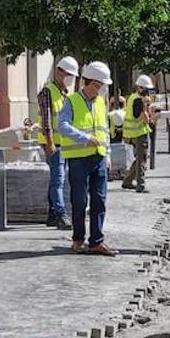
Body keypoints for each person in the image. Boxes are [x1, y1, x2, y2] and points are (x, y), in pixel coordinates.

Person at [58, 61, 116, 256]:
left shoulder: (100, 102)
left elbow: (104, 130)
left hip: (99, 158)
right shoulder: (72, 101)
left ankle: (96, 242)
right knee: (80, 201)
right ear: (91, 83)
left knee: (99, 200)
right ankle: (78, 240)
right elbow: (63, 126)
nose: (102, 90)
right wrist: (85, 139)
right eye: (100, 86)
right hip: (78, 160)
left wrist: (108, 154)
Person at [37, 56, 79, 230]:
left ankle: (53, 214)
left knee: (57, 179)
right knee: (58, 180)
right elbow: (46, 120)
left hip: (64, 144)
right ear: (59, 72)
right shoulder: (47, 92)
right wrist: (50, 143)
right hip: (53, 143)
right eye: (69, 74)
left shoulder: (65, 93)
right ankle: (61, 215)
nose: (71, 78)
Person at [121, 75, 155, 192]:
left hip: (131, 133)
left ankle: (127, 181)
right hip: (140, 133)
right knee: (142, 159)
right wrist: (147, 110)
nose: (147, 92)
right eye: (146, 89)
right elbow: (142, 117)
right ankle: (141, 184)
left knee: (138, 159)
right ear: (140, 88)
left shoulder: (132, 97)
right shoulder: (140, 100)